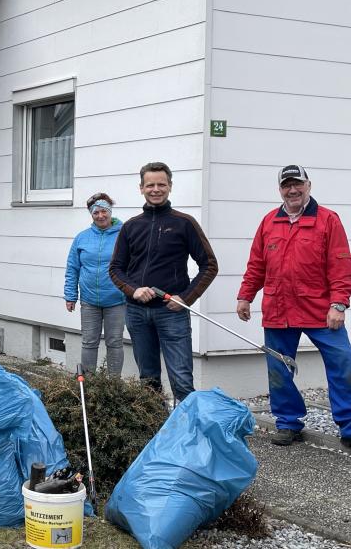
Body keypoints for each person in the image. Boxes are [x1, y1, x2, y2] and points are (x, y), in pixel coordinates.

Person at [237, 165, 351, 449]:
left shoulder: (328, 220)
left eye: (297, 184)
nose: (292, 190)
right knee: (279, 368)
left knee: (342, 363)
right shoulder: (269, 222)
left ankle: (348, 425)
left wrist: (339, 303)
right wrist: (245, 296)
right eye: (286, 185)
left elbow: (340, 265)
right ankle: (288, 423)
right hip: (279, 309)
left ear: (308, 186)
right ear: (280, 190)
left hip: (320, 309)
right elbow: (257, 265)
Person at [109, 162, 218, 401]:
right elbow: (116, 269)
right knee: (148, 380)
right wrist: (134, 290)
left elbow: (209, 265)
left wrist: (185, 298)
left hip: (172, 312)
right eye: (150, 185)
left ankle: (188, 432)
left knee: (181, 380)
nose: (156, 189)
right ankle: (156, 430)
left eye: (161, 184)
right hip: (137, 313)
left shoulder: (184, 223)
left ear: (170, 187)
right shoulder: (130, 227)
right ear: (141, 188)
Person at [64, 192, 126, 376]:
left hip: (116, 300)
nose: (100, 216)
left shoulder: (124, 235)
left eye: (104, 211)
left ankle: (113, 384)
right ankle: (89, 384)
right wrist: (70, 296)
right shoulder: (82, 238)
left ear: (110, 211)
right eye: (95, 213)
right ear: (91, 215)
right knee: (89, 341)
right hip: (89, 301)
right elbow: (72, 268)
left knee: (114, 342)